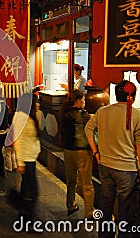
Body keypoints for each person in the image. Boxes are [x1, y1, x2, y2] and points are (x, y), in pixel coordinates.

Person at [85, 80, 140, 237]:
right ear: (132, 97)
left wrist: (96, 152)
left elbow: (88, 129)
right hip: (127, 170)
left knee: (105, 206)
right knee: (125, 209)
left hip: (105, 166)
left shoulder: (102, 112)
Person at [60, 89, 94, 218]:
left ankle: (70, 205)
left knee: (71, 181)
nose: (84, 102)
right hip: (82, 152)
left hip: (68, 152)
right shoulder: (83, 115)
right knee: (87, 184)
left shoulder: (64, 114)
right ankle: (89, 212)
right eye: (83, 100)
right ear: (78, 101)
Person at [12, 94, 41, 223]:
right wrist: (20, 162)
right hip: (26, 159)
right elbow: (18, 140)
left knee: (26, 190)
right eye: (36, 102)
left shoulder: (31, 116)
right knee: (33, 191)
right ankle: (26, 216)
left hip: (31, 158)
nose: (37, 104)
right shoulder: (20, 117)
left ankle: (24, 218)